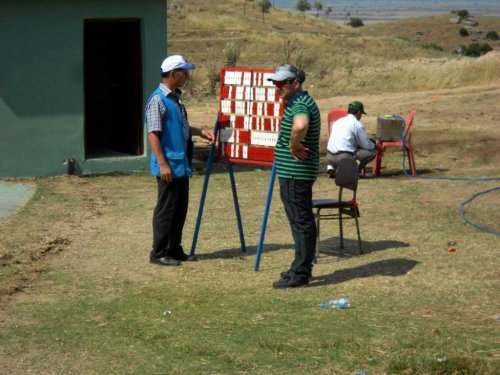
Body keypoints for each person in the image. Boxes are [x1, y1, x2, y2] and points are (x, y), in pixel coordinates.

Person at [145, 55, 214, 266]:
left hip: (180, 165)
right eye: (184, 72)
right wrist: (163, 164)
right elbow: (153, 134)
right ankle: (159, 253)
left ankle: (174, 248)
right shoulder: (157, 100)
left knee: (179, 208)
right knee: (166, 210)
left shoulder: (175, 98)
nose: (187, 75)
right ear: (173, 74)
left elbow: (180, 127)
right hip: (169, 166)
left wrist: (200, 132)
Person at [268, 64, 321, 288]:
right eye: (275, 83)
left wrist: (293, 144)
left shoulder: (299, 103)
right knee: (301, 221)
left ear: (295, 84)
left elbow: (301, 125)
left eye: (282, 83)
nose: (277, 87)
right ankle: (299, 267)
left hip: (295, 173)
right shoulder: (300, 102)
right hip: (295, 173)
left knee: (301, 222)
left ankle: (301, 272)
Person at [326, 101, 380, 176]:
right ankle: (352, 172)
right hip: (343, 158)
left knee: (347, 149)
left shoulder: (338, 121)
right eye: (361, 114)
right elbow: (366, 145)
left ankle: (332, 167)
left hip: (330, 157)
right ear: (358, 113)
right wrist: (375, 146)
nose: (361, 116)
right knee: (372, 153)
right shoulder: (356, 124)